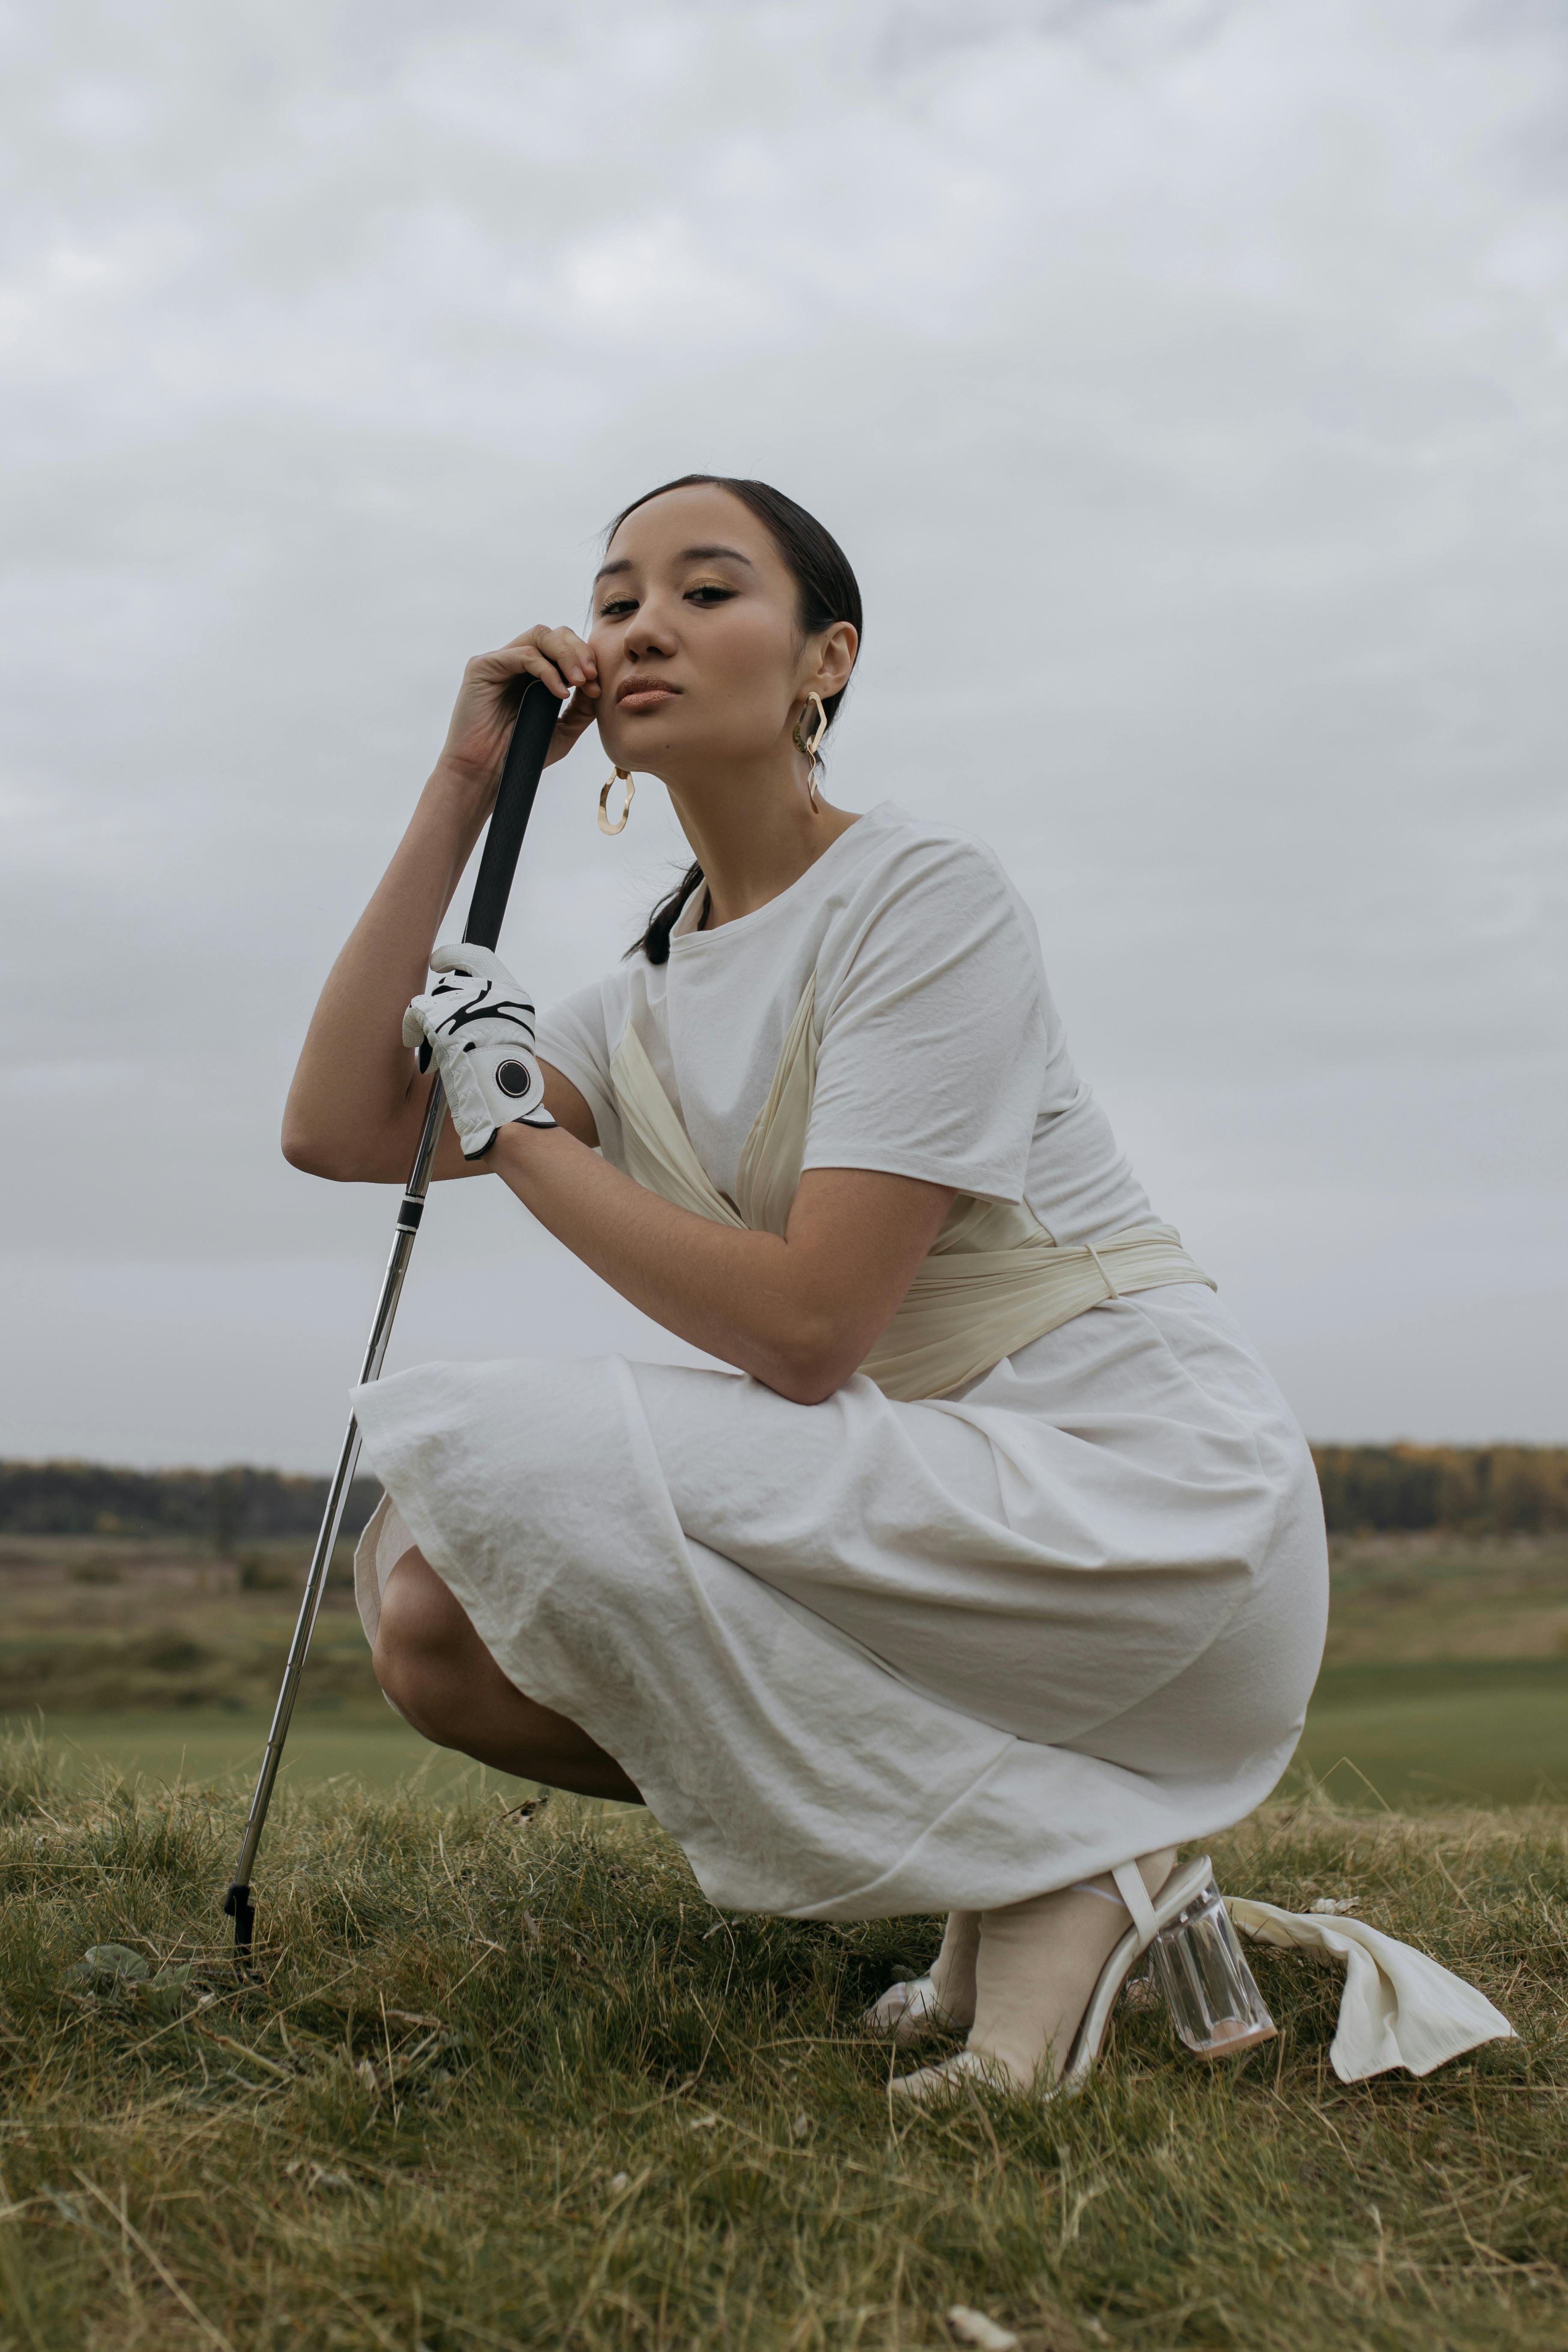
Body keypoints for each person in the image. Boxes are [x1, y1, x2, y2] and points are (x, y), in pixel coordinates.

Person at [281, 473, 1329, 2099]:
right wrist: (466, 785)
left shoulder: (924, 899)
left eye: (706, 592)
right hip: (922, 1499)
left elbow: (809, 1328)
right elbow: (340, 1126)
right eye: (617, 599)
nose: (643, 626)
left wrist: (515, 1124)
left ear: (825, 660)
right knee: (431, 1611)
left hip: (1134, 1498)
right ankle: (1053, 1853)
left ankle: (1060, 1862)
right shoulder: (635, 1002)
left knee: (492, 1458)